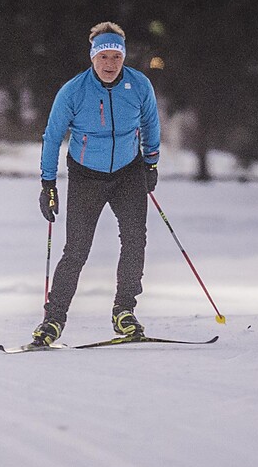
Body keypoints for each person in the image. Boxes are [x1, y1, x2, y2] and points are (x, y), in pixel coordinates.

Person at [30, 21, 162, 348]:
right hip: (86, 175)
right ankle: (54, 320)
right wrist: (48, 183)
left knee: (135, 239)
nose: (109, 64)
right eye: (103, 56)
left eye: (116, 57)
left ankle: (124, 310)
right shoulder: (73, 91)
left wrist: (151, 162)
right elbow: (52, 137)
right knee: (76, 250)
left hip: (129, 171)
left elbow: (150, 123)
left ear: (123, 57)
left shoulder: (139, 85)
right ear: (93, 57)